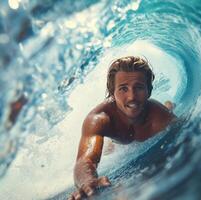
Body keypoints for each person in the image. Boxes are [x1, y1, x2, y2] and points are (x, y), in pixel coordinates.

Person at [69, 56, 176, 200]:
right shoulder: (99, 119)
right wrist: (87, 181)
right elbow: (84, 160)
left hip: (154, 118)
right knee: (109, 148)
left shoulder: (160, 117)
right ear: (113, 93)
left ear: (149, 91)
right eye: (123, 89)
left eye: (138, 87)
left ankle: (169, 104)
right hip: (117, 137)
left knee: (168, 108)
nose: (132, 96)